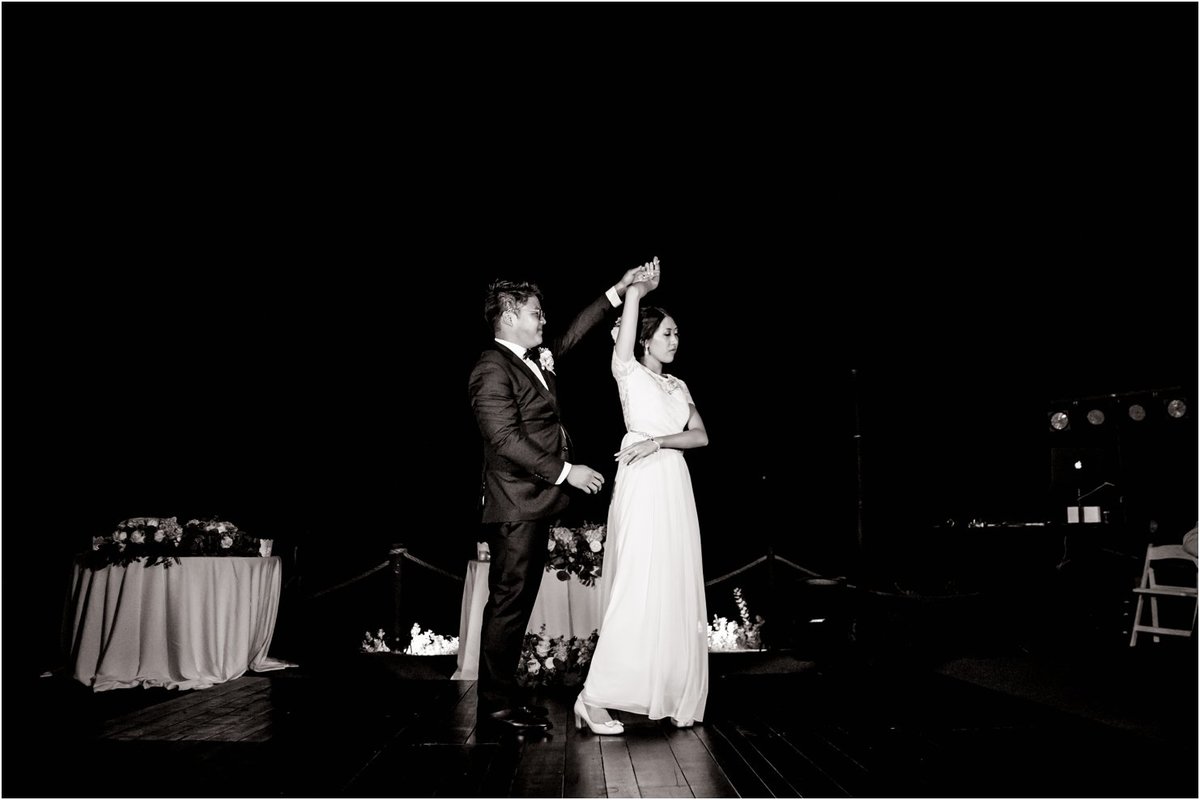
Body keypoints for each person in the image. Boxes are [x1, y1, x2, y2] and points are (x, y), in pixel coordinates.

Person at [468, 265, 644, 735]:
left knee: (519, 606)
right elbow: (504, 438)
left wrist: (618, 290)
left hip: (535, 503)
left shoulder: (531, 357)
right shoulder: (491, 366)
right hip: (515, 504)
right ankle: (493, 709)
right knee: (507, 606)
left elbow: (568, 336)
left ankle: (505, 697)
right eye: (534, 313)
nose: (543, 320)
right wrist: (568, 473)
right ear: (508, 316)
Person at [576, 259, 710, 734]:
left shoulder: (679, 385)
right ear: (647, 338)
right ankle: (593, 699)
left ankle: (670, 690)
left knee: (672, 586)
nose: (676, 340)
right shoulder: (628, 372)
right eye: (669, 333)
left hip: (672, 478)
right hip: (642, 481)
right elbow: (627, 323)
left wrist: (659, 441)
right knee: (638, 582)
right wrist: (636, 289)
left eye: (677, 333)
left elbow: (701, 437)